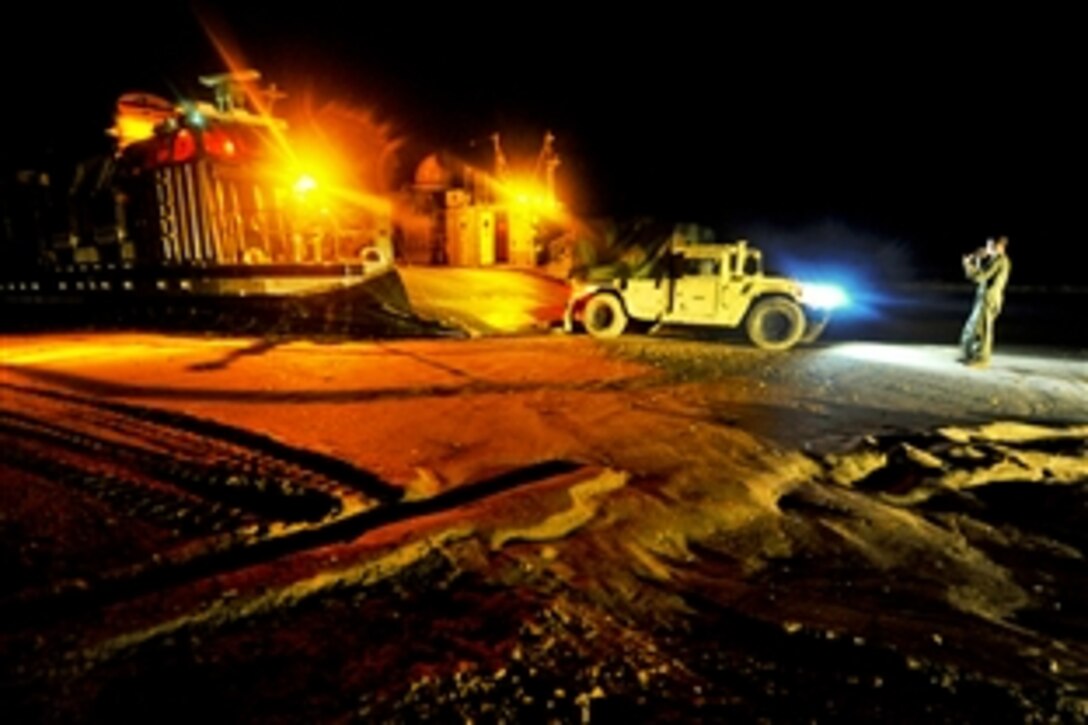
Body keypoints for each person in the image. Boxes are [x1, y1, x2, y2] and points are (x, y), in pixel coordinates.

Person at [959, 236, 1011, 367]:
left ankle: (981, 360)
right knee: (972, 327)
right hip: (983, 298)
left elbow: (981, 276)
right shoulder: (994, 260)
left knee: (982, 330)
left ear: (1000, 247)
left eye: (991, 246)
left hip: (989, 299)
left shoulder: (1000, 261)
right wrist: (976, 260)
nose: (987, 249)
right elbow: (981, 275)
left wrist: (968, 265)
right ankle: (970, 354)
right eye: (988, 246)